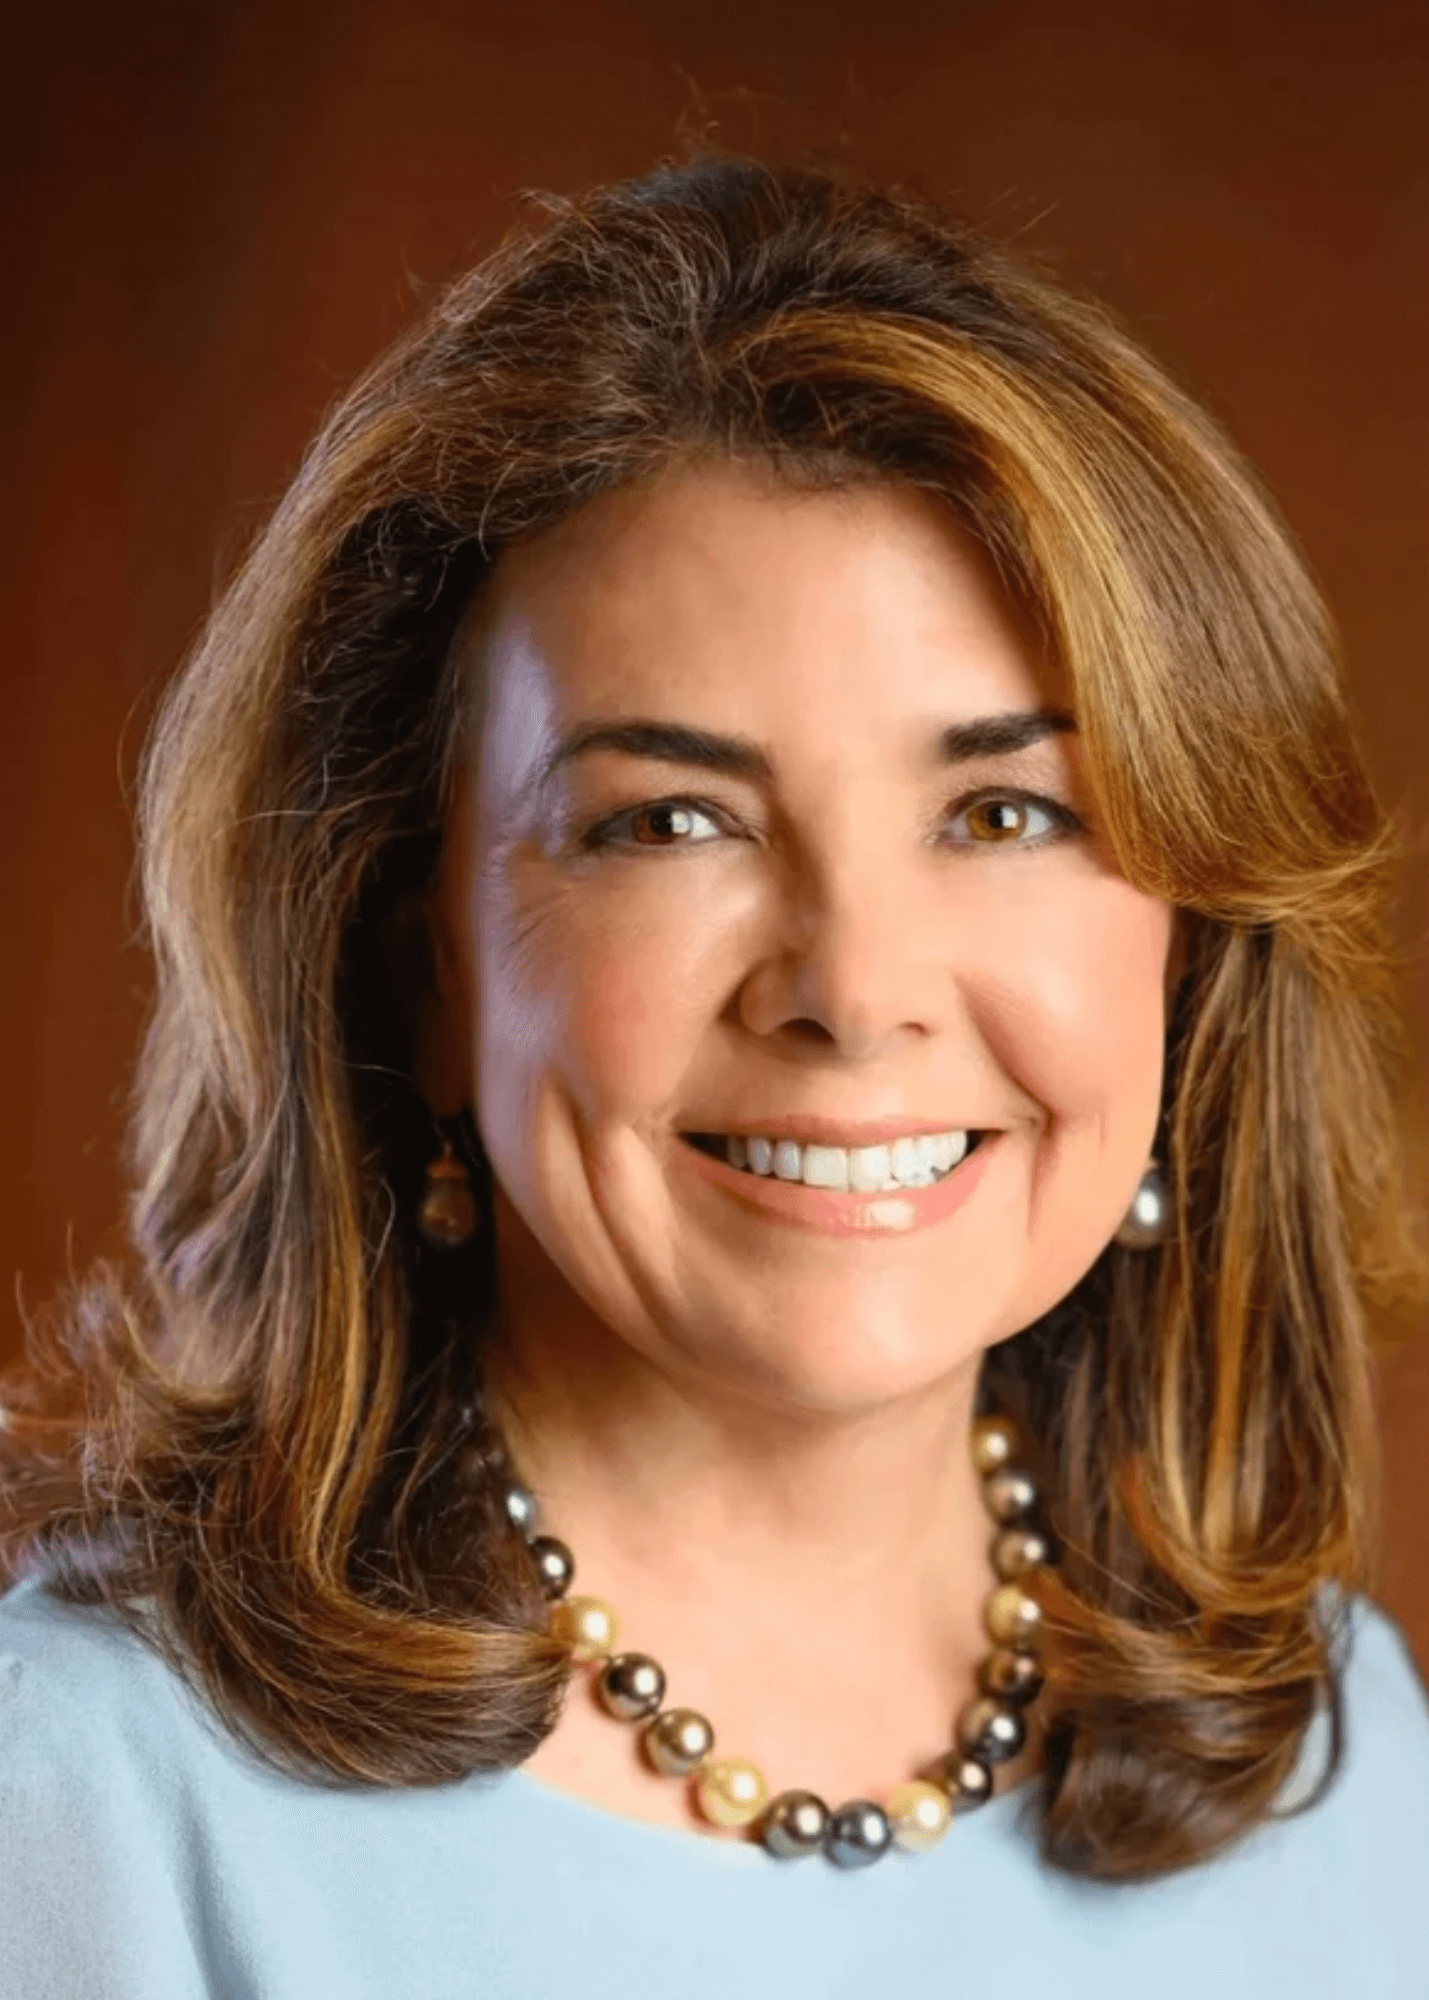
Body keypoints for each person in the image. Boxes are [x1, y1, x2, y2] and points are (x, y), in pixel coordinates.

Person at [2, 151, 1428, 1999]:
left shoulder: (1344, 1767)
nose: (853, 989)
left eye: (1004, 811)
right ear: (413, 957)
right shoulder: (83, 1798)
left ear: (1195, 948)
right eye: (671, 819)